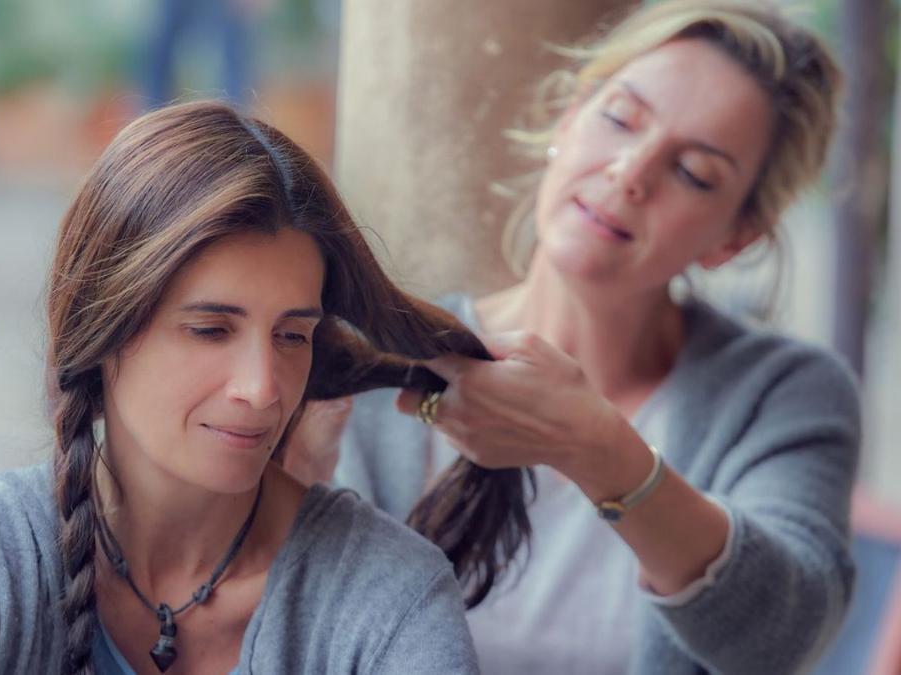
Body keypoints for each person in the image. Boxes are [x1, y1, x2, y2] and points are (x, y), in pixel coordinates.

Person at [0, 101, 531, 675]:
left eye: (291, 335)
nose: (262, 388)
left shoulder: (388, 598)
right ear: (104, 326)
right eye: (210, 329)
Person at [292, 1, 860, 673]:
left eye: (695, 172)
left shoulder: (781, 393)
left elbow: (783, 638)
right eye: (620, 118)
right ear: (568, 117)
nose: (630, 173)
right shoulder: (382, 355)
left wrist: (597, 449)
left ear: (734, 238)